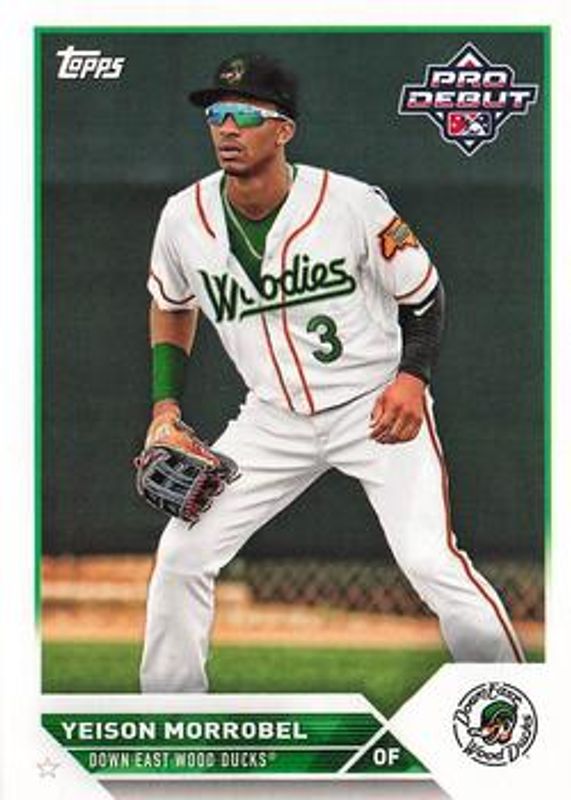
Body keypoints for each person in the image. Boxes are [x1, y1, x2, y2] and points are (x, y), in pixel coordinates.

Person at [140, 52, 524, 693]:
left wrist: (413, 378)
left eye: (244, 115)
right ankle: (171, 717)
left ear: (283, 130)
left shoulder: (350, 204)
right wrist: (164, 408)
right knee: (182, 556)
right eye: (216, 114)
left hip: (373, 408)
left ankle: (515, 708)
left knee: (431, 561)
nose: (227, 128)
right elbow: (171, 303)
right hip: (271, 420)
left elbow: (423, 292)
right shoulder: (184, 217)